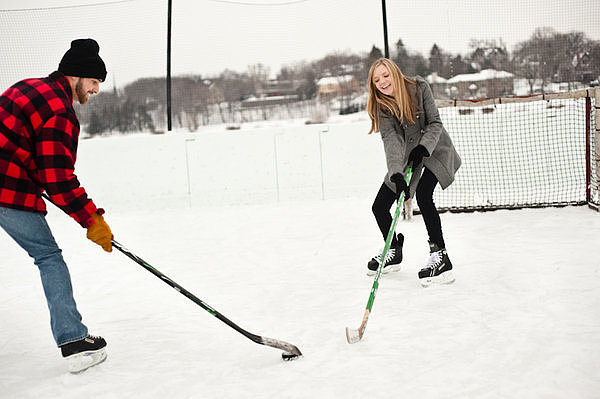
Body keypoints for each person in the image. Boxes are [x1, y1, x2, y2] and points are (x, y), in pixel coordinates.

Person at [0, 39, 114, 373]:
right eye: (94, 82)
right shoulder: (59, 111)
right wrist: (91, 218)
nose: (95, 90)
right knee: (49, 257)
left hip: (9, 182)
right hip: (7, 190)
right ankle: (75, 343)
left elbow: (21, 146)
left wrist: (35, 175)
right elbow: (59, 177)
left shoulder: (27, 87)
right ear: (77, 76)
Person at [365, 58, 461, 286]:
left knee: (425, 196)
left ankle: (441, 257)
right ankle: (393, 251)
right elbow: (392, 140)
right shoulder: (383, 106)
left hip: (435, 150)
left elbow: (435, 123)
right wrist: (396, 173)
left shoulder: (419, 87)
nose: (383, 82)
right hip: (408, 159)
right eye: (377, 79)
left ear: (394, 72)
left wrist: (423, 148)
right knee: (379, 206)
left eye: (385, 75)